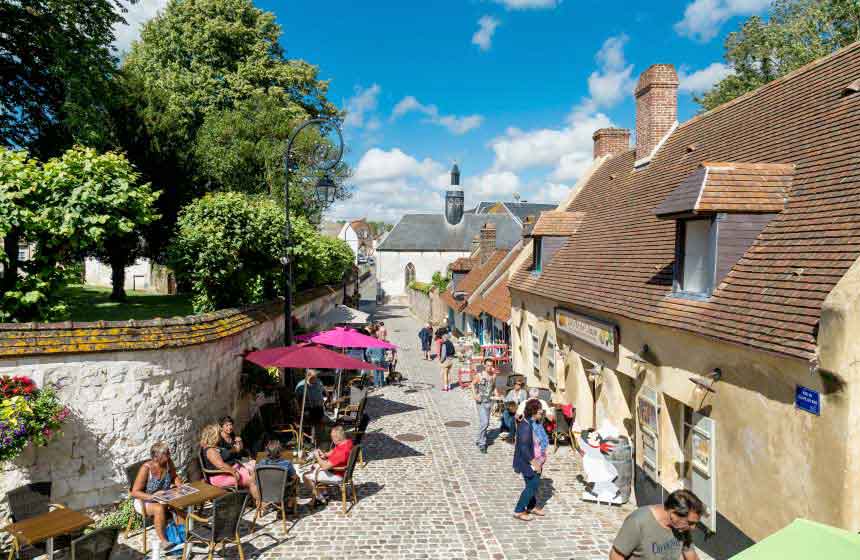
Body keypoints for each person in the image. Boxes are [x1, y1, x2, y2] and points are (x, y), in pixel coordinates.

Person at [610, 489, 704, 560]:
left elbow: (691, 555)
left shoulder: (682, 528)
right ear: (673, 514)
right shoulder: (638, 521)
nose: (693, 527)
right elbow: (616, 556)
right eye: (690, 523)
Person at [130, 442, 186, 554]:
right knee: (158, 508)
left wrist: (180, 486)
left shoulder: (168, 463)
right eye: (166, 453)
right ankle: (164, 541)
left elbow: (174, 476)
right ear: (156, 457)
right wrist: (153, 496)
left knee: (179, 503)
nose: (169, 455)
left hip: (164, 497)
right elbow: (135, 492)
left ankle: (183, 534)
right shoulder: (146, 469)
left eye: (168, 453)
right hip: (144, 500)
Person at [200, 424, 261, 506]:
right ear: (213, 436)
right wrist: (234, 472)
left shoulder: (214, 447)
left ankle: (252, 499)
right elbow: (221, 465)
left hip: (229, 471)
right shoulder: (211, 451)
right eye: (218, 434)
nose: (220, 436)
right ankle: (260, 504)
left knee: (257, 470)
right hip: (222, 477)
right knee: (252, 479)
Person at [302, 425, 354, 505]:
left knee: (305, 476)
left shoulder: (342, 452)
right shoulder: (347, 442)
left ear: (337, 438)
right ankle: (325, 493)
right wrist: (324, 455)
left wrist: (317, 456)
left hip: (338, 475)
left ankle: (320, 498)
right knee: (314, 467)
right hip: (340, 471)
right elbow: (334, 450)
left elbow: (325, 466)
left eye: (332, 438)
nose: (332, 440)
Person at [513, 399, 544, 521]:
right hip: (525, 461)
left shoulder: (528, 422)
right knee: (533, 484)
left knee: (531, 484)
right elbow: (524, 448)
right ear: (534, 412)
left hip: (529, 459)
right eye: (540, 412)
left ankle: (531, 506)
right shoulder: (525, 426)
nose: (542, 413)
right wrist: (534, 463)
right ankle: (519, 510)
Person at [471, 358, 499, 453]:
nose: (489, 367)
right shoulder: (480, 375)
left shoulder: (493, 376)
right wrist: (475, 395)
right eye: (488, 365)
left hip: (489, 401)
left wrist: (496, 394)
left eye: (491, 366)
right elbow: (472, 384)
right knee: (485, 422)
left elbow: (493, 386)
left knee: (485, 423)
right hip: (481, 402)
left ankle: (479, 439)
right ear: (484, 366)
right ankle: (482, 444)